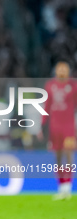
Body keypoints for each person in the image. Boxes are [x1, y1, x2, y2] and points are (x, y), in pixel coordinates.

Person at [37, 61, 76, 200]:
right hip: (55, 127)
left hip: (69, 127)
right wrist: (41, 126)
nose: (62, 72)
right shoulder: (50, 86)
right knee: (58, 157)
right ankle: (61, 187)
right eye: (60, 69)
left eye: (64, 69)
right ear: (56, 71)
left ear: (68, 71)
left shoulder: (73, 86)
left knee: (68, 154)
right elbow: (46, 107)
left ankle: (68, 186)